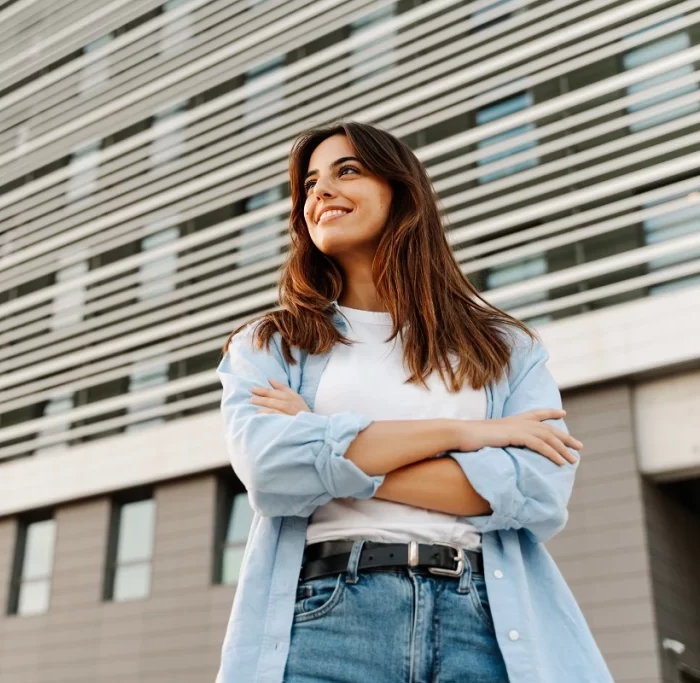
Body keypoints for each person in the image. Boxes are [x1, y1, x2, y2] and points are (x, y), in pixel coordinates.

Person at [214, 121, 614, 683]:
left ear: (401, 192)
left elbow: (536, 492)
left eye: (346, 171)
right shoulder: (271, 342)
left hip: (482, 621)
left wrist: (327, 445)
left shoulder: (504, 347)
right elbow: (271, 469)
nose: (319, 192)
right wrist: (467, 435)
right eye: (308, 184)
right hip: (329, 616)